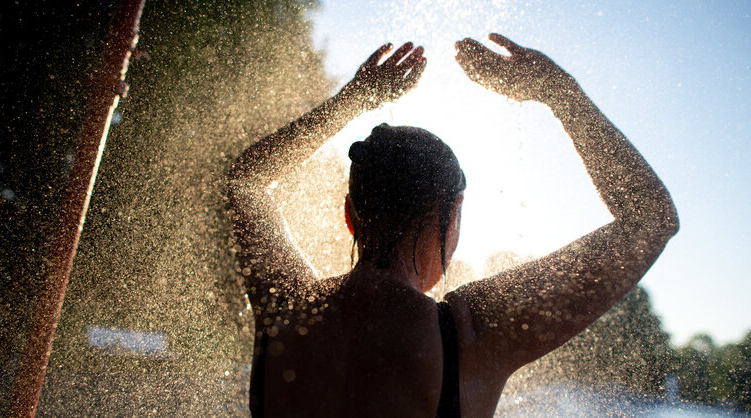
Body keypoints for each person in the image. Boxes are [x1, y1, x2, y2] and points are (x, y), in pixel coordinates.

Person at [227, 34, 678, 417]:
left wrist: (353, 101)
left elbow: (244, 181)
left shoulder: (283, 309)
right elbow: (651, 218)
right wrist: (557, 90)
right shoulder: (469, 331)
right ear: (453, 215)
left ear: (350, 214)